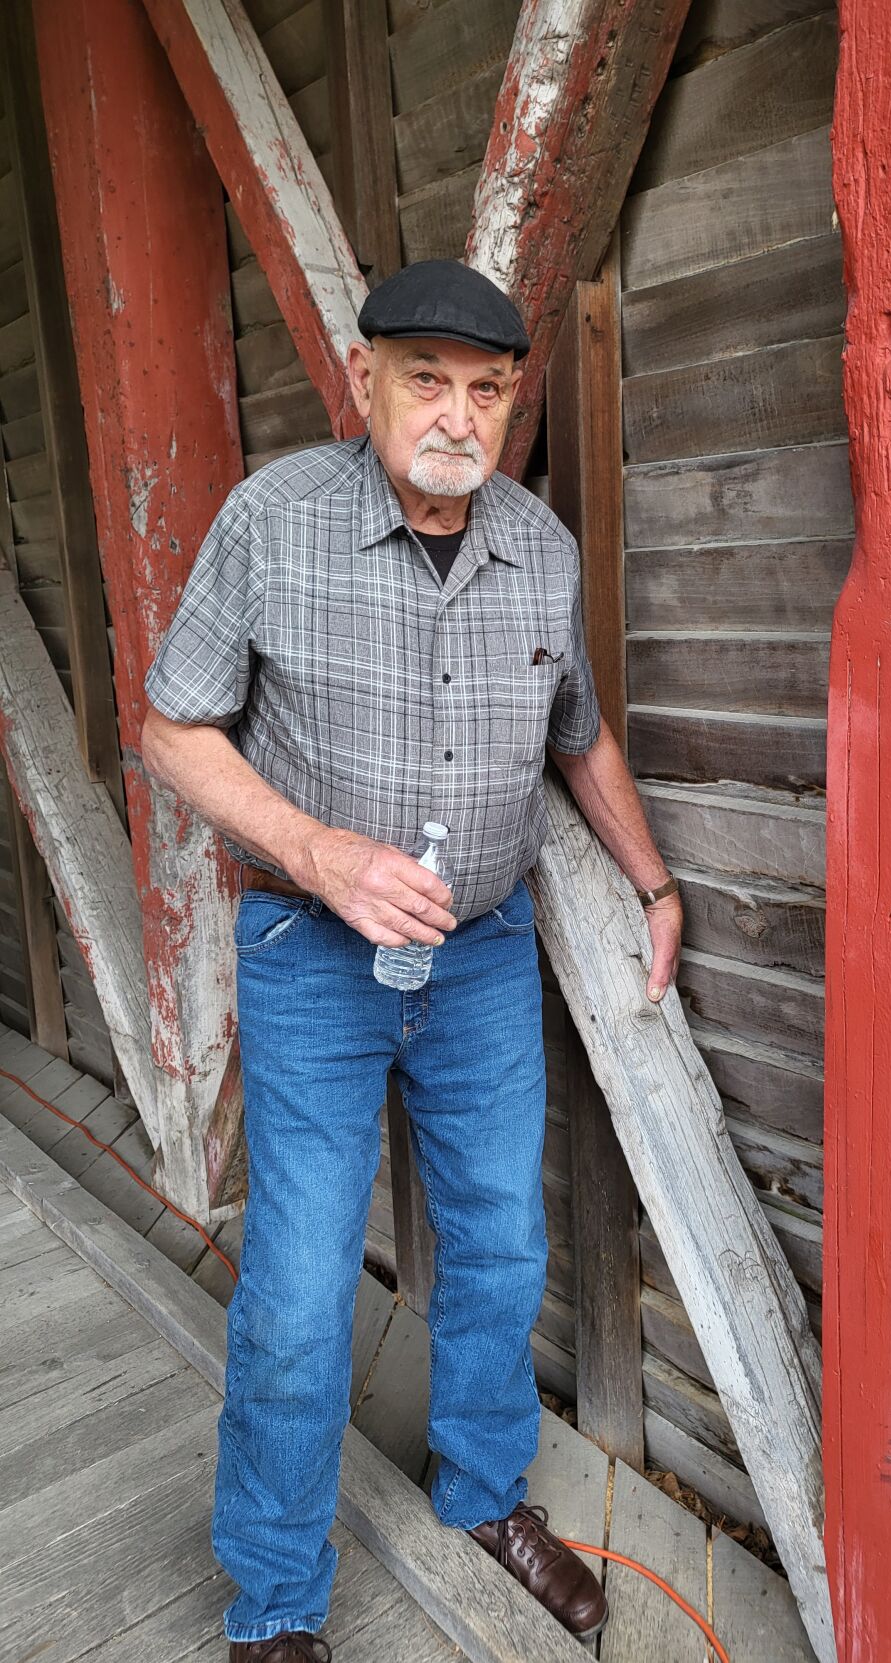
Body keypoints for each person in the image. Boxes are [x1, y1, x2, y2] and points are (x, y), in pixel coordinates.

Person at [140, 258, 684, 1662]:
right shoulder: (274, 521)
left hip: (483, 954)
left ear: (509, 403)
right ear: (364, 381)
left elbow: (578, 736)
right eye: (426, 379)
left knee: (501, 1239)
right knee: (301, 1283)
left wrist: (653, 880)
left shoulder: (541, 552)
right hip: (309, 952)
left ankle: (486, 1493)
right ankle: (276, 1596)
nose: (457, 414)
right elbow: (172, 727)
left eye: (486, 390)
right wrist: (320, 853)